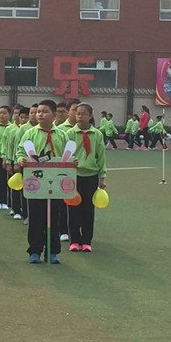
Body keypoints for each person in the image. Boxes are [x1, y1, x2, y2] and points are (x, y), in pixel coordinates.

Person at [17, 99, 68, 264]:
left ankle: (53, 251)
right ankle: (35, 251)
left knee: (54, 217)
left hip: (55, 183)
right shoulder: (30, 134)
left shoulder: (62, 135)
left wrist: (73, 163)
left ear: (54, 115)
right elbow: (20, 150)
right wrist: (20, 160)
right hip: (36, 182)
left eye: (44, 111)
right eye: (38, 111)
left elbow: (69, 155)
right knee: (36, 217)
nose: (39, 114)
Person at [66, 103, 107, 252]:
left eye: (83, 114)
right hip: (74, 175)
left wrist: (102, 177)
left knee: (88, 210)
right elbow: (65, 154)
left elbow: (101, 157)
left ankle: (86, 240)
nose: (79, 116)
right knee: (73, 208)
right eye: (77, 113)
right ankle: (74, 240)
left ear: (90, 116)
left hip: (91, 176)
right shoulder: (70, 134)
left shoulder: (97, 134)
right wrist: (69, 163)